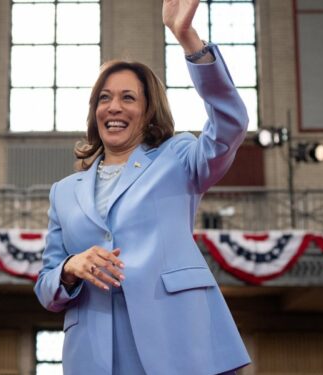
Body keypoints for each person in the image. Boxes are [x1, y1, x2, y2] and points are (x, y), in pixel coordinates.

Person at [33, 0, 250, 374]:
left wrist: (189, 41)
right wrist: (72, 266)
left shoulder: (178, 158)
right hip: (95, 353)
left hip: (176, 342)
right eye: (104, 98)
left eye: (127, 98)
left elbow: (230, 126)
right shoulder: (64, 192)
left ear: (149, 111)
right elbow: (46, 286)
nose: (113, 107)